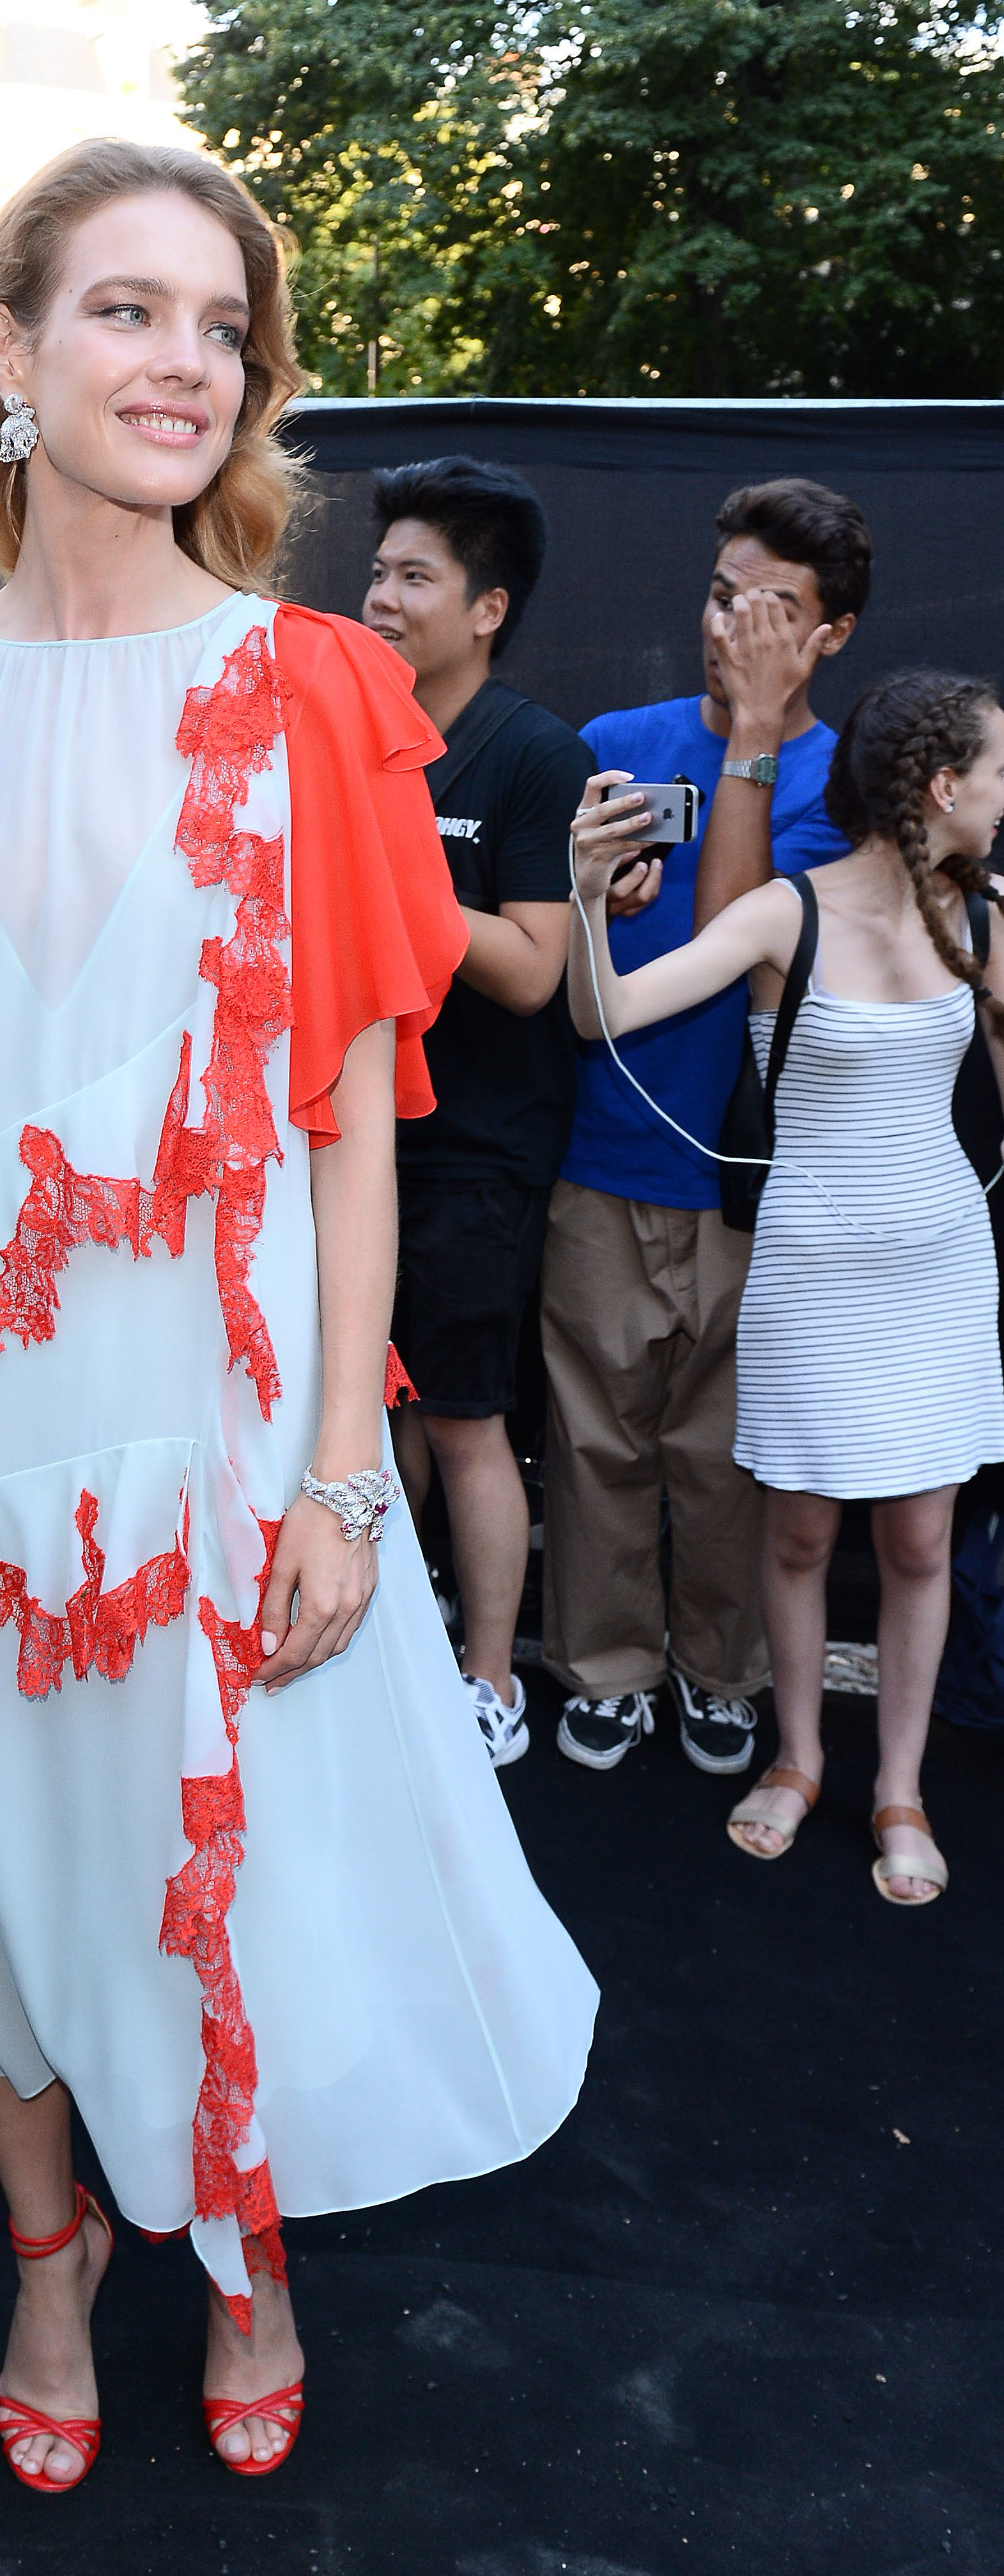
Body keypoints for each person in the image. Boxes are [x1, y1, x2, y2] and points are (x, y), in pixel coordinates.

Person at [0, 136, 596, 2496]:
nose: (185, 363)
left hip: (209, 1403)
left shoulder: (310, 683)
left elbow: (352, 1123)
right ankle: (49, 2263)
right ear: (6, 348)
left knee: (214, 1875)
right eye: (127, 310)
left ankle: (242, 2254)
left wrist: (343, 1473)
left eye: (222, 327)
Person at [569, 668, 1004, 1906]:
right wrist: (590, 898)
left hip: (938, 1265)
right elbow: (604, 1017)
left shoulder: (984, 920)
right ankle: (800, 1758)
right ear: (942, 787)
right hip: (813, 1266)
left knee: (921, 1537)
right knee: (802, 1530)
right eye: (999, 772)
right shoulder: (784, 912)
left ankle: (900, 1788)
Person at [544, 478, 870, 1776]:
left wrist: (754, 738)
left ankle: (721, 1670)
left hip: (759, 1175)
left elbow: (744, 932)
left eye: (774, 607)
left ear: (832, 634)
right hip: (603, 1148)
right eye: (723, 595)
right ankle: (607, 1665)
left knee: (729, 1453)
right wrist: (589, 887)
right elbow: (555, 926)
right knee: (596, 1437)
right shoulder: (618, 738)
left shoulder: (852, 782)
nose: (735, 626)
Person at [362, 457, 591, 1767]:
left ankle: (491, 1679)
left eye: (416, 576)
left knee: (460, 1418)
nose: (383, 598)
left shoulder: (533, 753)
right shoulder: (355, 735)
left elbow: (531, 969)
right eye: (379, 572)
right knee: (364, 1417)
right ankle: (388, 1646)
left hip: (476, 1154)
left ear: (487, 608)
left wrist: (395, 878)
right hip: (350, 1143)